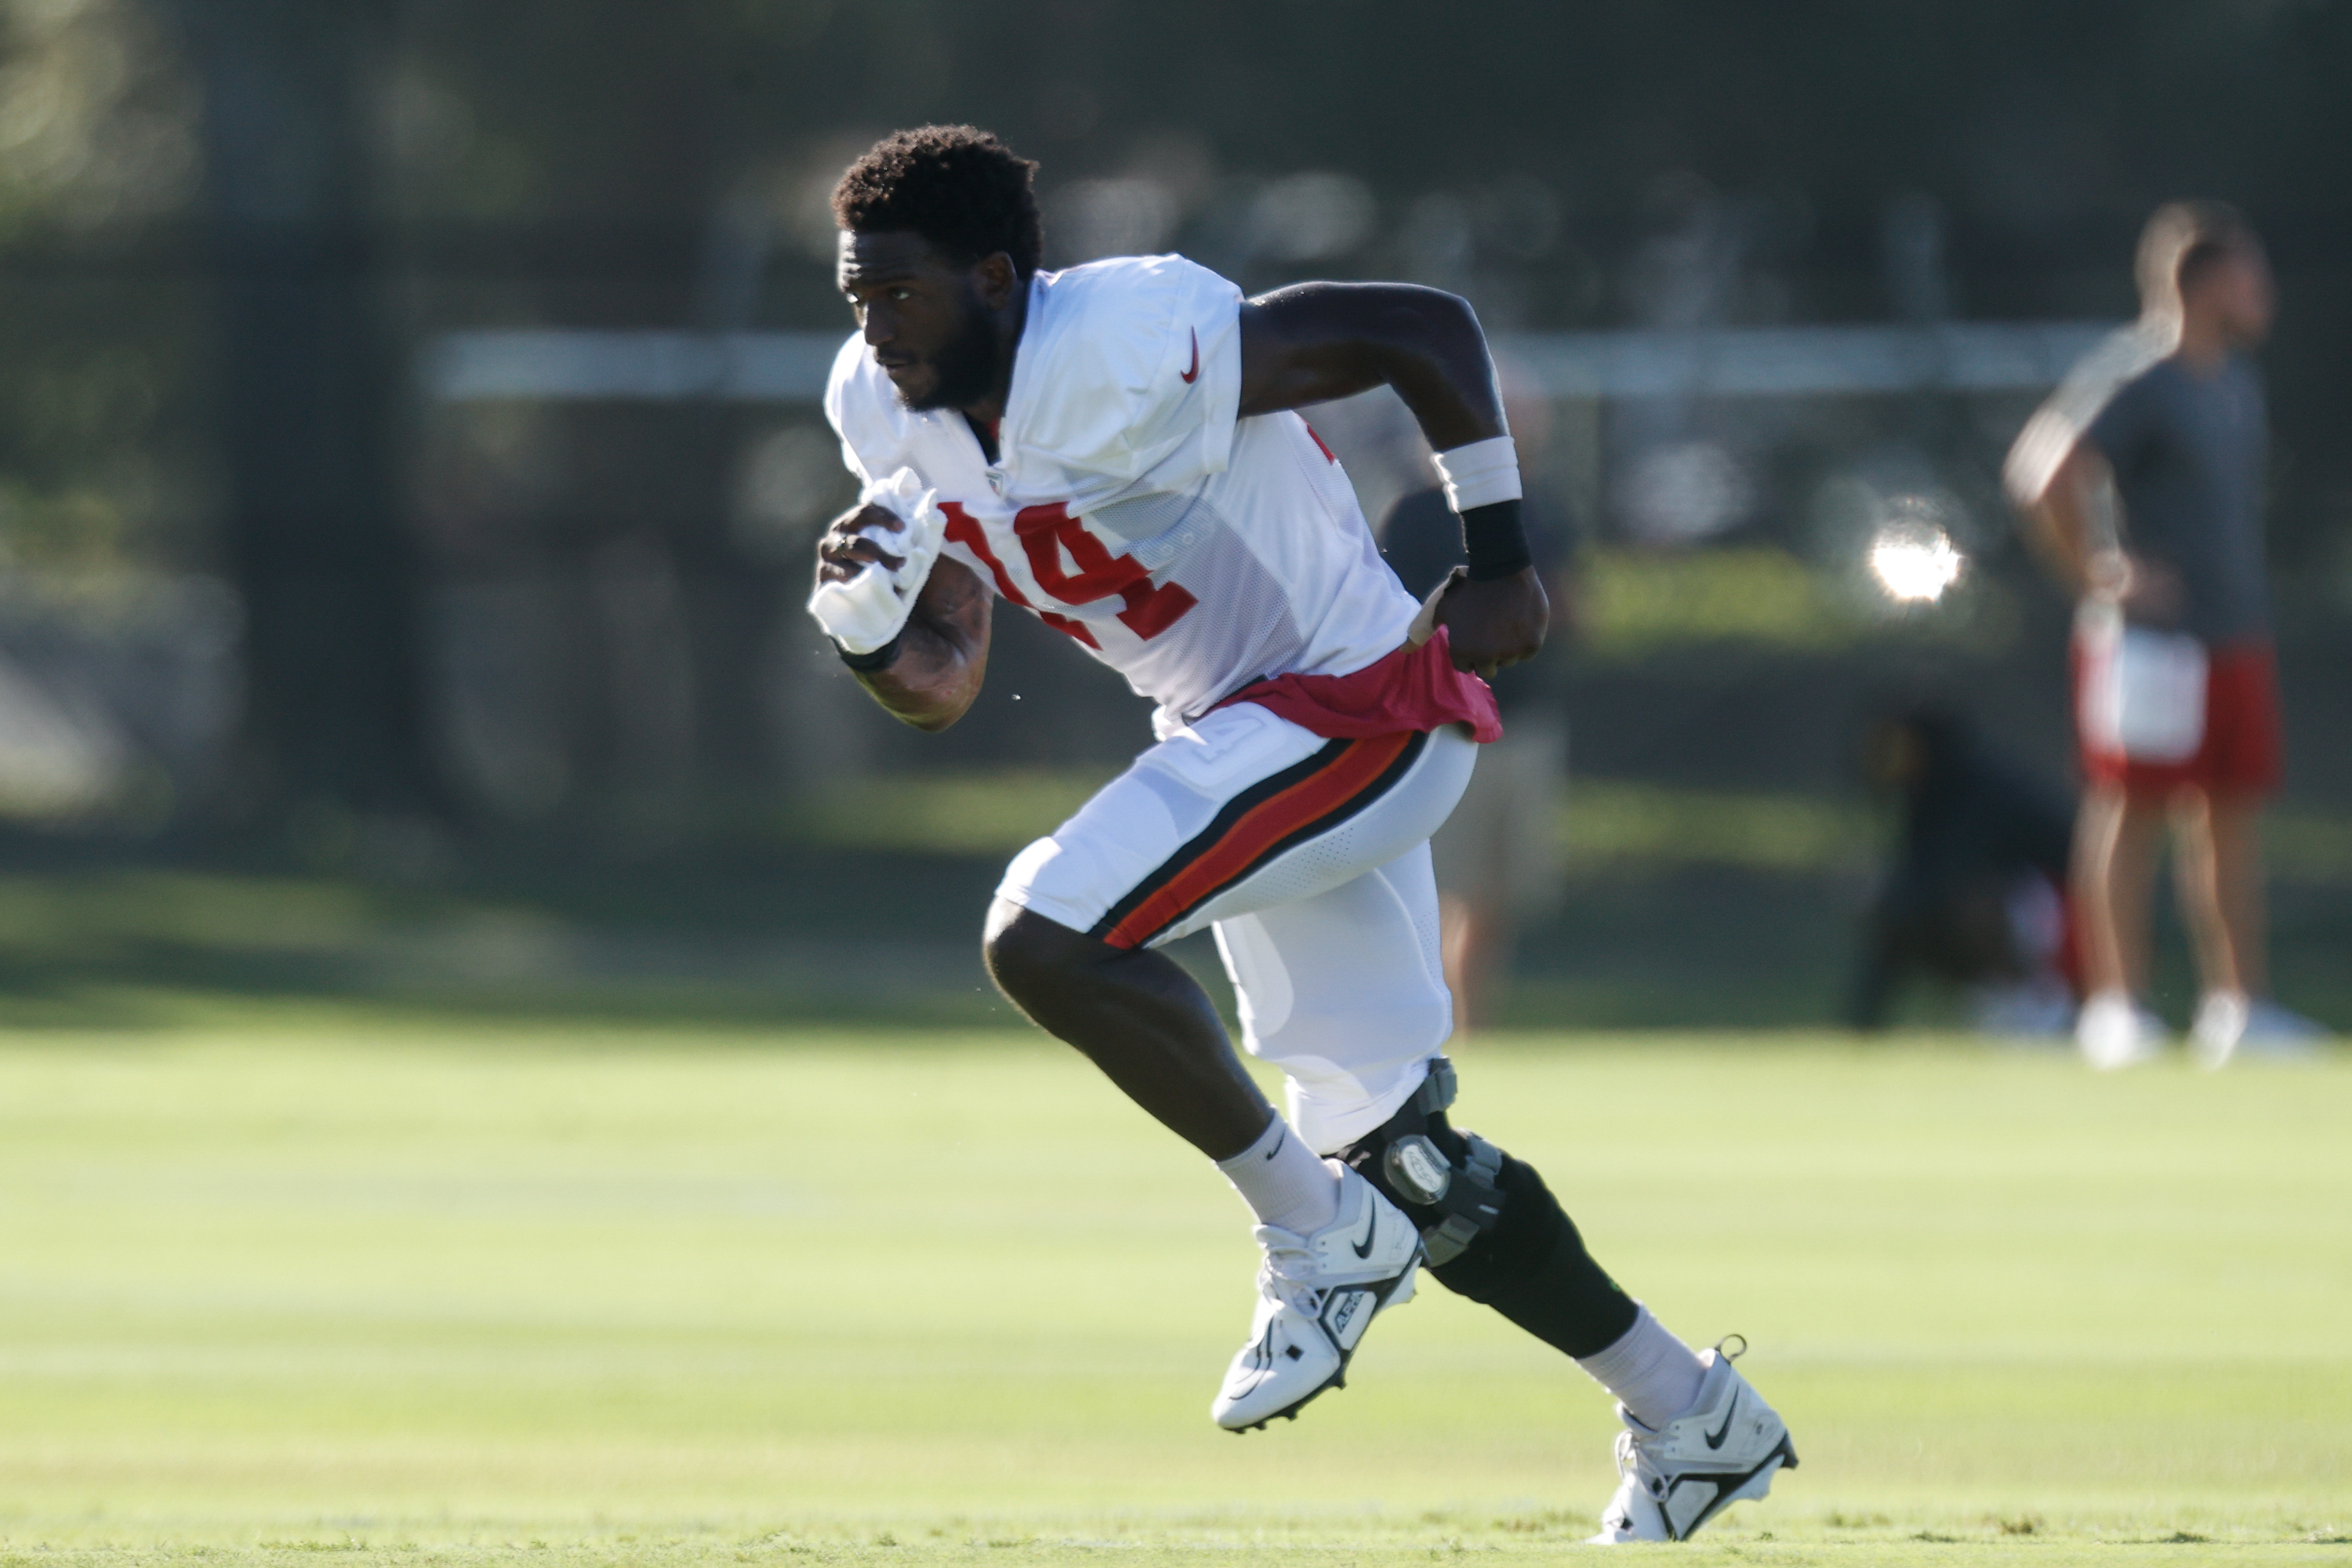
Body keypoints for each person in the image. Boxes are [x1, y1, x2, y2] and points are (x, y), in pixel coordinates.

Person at [806, 126, 1794, 1544]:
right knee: (1404, 1159)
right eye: (855, 299)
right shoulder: (880, 407)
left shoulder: (1127, 337)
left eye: (896, 297)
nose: (871, 330)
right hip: (1240, 739)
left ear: (998, 279)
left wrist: (1501, 554)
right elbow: (943, 686)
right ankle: (1687, 1409)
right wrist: (864, 635)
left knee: (1043, 933)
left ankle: (1309, 1236)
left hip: (1348, 703)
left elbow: (1419, 329)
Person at [2005, 202, 2323, 1069]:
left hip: (2233, 636)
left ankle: (2238, 1009)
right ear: (2205, 281)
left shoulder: (2234, 381)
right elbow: (2043, 471)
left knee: (2228, 816)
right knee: (2132, 809)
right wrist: (2102, 573)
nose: (2263, 290)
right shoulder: (2142, 376)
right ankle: (2117, 1009)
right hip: (2152, 644)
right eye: (2248, 273)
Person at [1377, 463, 1572, 1034]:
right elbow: (1396, 618)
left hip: (1522, 725)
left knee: (1495, 899)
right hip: (1444, 727)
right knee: (1440, 892)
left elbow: (1572, 604)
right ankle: (1430, 1026)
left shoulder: (1539, 508)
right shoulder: (1414, 513)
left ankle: (1472, 1030)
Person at [1847, 704, 2078, 1035]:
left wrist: (1889, 897)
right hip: (2024, 917)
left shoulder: (1978, 787)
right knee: (1897, 915)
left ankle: (2035, 1006)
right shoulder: (1924, 795)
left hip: (2066, 917)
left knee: (1967, 900)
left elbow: (1956, 871)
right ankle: (1860, 1029)